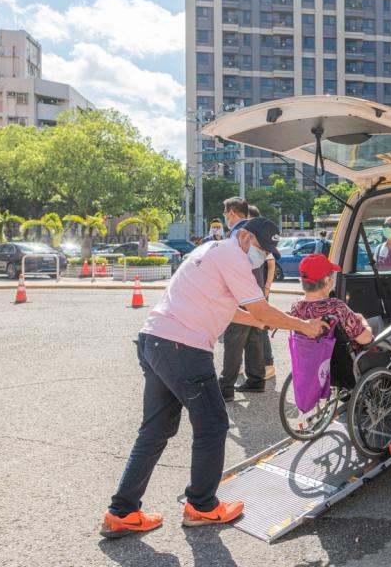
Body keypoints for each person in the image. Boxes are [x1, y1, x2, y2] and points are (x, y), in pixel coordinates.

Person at [100, 217, 325, 539]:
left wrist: (260, 323)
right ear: (244, 237)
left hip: (156, 340)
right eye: (262, 249)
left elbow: (232, 309)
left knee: (156, 430)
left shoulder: (211, 250)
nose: (264, 256)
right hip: (184, 347)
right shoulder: (233, 256)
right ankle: (202, 507)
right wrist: (304, 326)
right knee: (213, 425)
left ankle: (121, 513)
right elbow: (261, 309)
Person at [289, 253, 391, 355]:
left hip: (322, 358)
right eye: (331, 276)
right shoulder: (336, 307)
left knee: (378, 322)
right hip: (362, 357)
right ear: (327, 281)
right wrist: (363, 321)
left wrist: (354, 319)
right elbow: (366, 339)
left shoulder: (296, 306)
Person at [217, 198, 268, 396]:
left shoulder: (239, 233)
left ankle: (226, 387)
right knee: (254, 338)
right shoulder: (256, 230)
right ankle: (256, 379)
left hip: (241, 293)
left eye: (225, 213)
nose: (225, 217)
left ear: (231, 212)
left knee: (234, 340)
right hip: (256, 291)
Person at [248, 205, 276, 381]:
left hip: (260, 292)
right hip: (252, 292)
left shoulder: (261, 239)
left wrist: (267, 288)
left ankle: (268, 364)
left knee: (261, 328)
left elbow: (271, 263)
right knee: (252, 330)